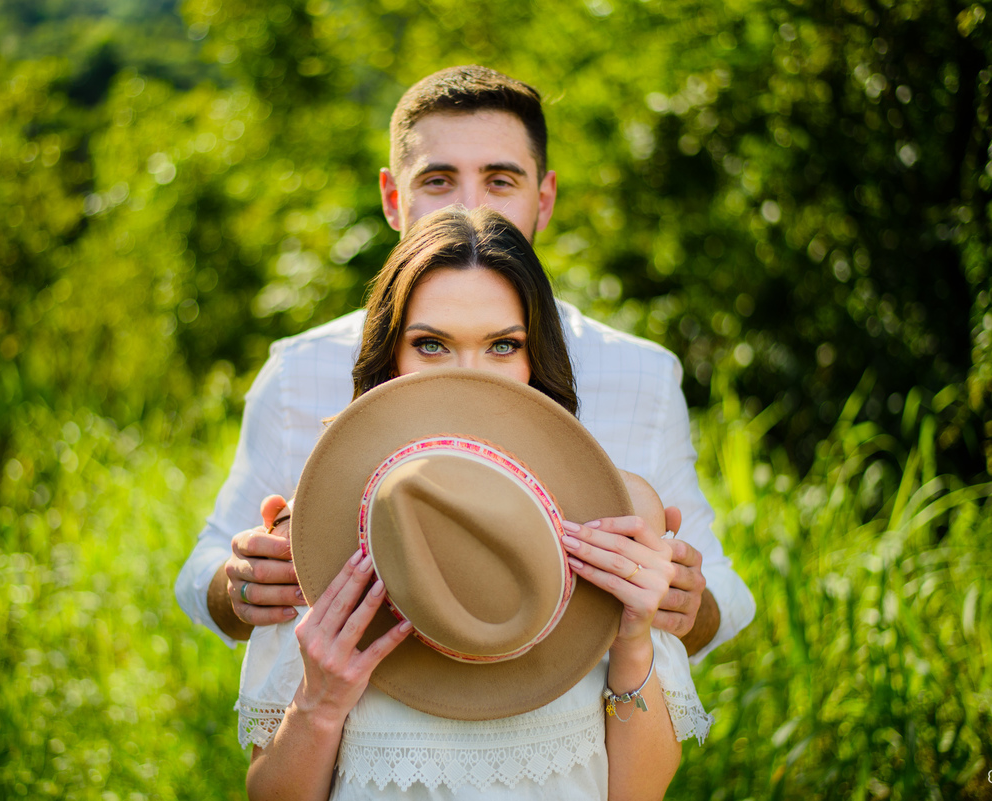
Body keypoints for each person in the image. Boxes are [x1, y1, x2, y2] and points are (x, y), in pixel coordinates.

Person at [174, 65, 754, 662]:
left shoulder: (642, 376)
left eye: (501, 181)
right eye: (438, 180)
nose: (472, 207)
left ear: (544, 199)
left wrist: (685, 600)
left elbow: (725, 600)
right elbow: (205, 571)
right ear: (394, 200)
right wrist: (239, 586)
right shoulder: (300, 372)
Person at [240, 206, 710, 800]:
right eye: (431, 344)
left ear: (537, 358)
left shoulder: (613, 524)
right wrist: (320, 700)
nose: (470, 378)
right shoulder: (325, 533)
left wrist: (633, 638)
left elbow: (636, 797)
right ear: (390, 359)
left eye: (502, 346)